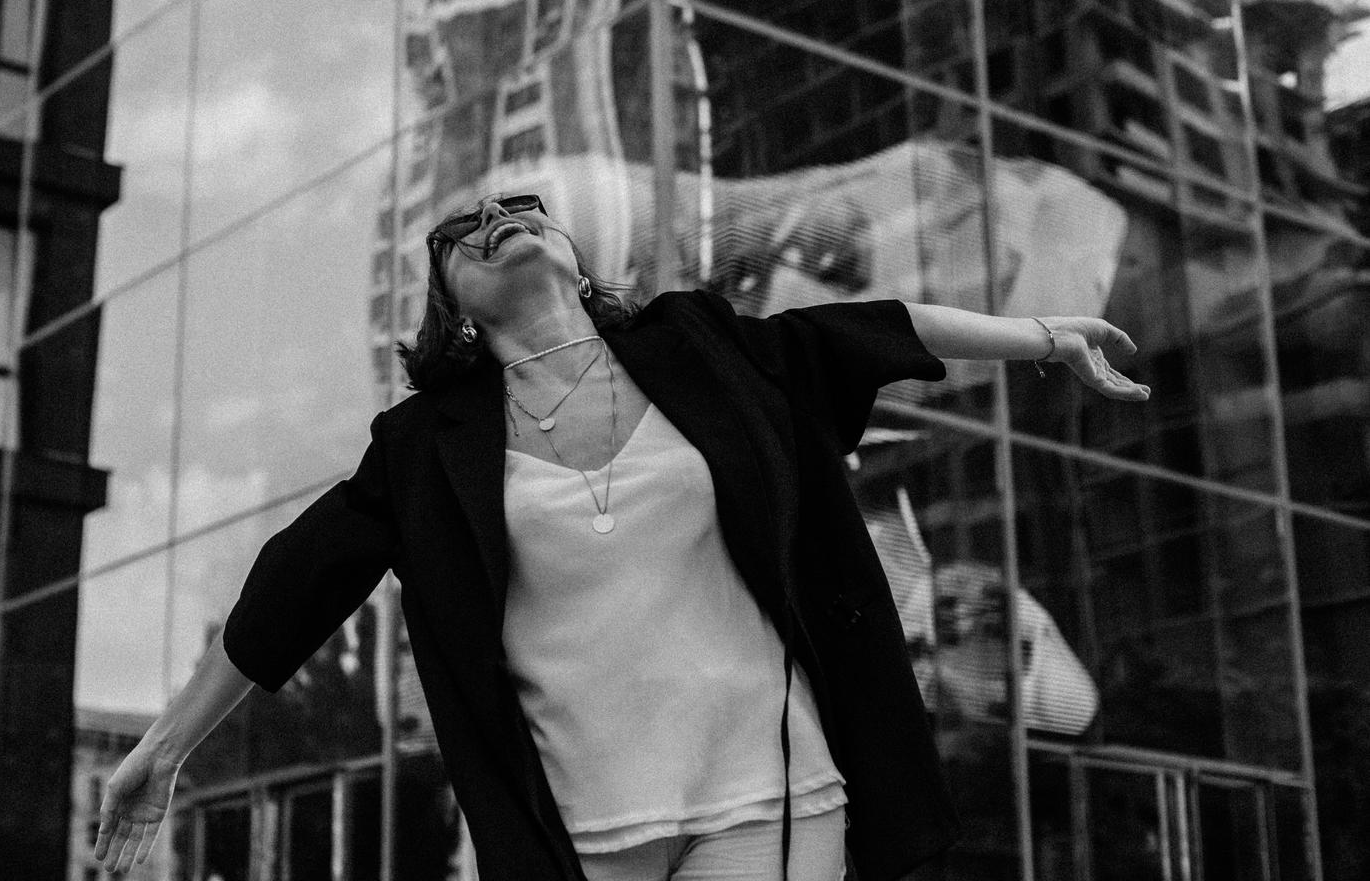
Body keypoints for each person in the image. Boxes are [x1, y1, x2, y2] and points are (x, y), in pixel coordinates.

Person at [93, 193, 1149, 881]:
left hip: (768, 797)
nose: (497, 221)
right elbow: (296, 582)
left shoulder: (701, 348)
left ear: (575, 260)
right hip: (575, 832)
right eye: (465, 231)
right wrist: (162, 750)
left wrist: (1046, 335)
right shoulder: (425, 447)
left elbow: (872, 330)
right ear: (453, 311)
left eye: (522, 211)